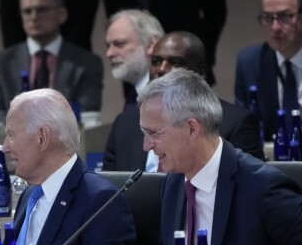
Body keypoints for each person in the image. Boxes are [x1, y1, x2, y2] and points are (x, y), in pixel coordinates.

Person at [121, 69, 302, 245]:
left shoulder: (263, 188)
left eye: (152, 133)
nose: (146, 146)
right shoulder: (174, 183)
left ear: (192, 128)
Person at [4, 88, 136, 245]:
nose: (5, 147)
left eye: (11, 135)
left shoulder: (101, 201)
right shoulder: (29, 196)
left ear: (42, 137)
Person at [103, 31, 264, 171]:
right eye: (156, 62)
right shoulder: (124, 124)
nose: (161, 69)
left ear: (200, 72)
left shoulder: (236, 123)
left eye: (175, 62)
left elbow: (249, 189)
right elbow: (109, 193)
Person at [0, 0, 103, 123]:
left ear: (62, 14)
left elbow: (86, 116)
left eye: (42, 9)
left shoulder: (87, 63)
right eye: (27, 11)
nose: (34, 17)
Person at [102, 0, 227, 86]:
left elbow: (215, 10)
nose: (109, 53)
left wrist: (199, 54)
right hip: (137, 71)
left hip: (187, 68)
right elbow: (114, 16)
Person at [235, 0, 302, 142]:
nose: (275, 27)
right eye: (268, 18)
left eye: (284, 16)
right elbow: (244, 130)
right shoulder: (249, 62)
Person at [0, 0, 101, 51]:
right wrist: (19, 57)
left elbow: (84, 14)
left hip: (74, 52)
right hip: (23, 52)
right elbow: (9, 17)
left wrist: (67, 56)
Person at [105, 9, 164, 112]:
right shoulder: (133, 96)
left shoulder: (169, 94)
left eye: (119, 43)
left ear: (151, 44)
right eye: (108, 46)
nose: (109, 53)